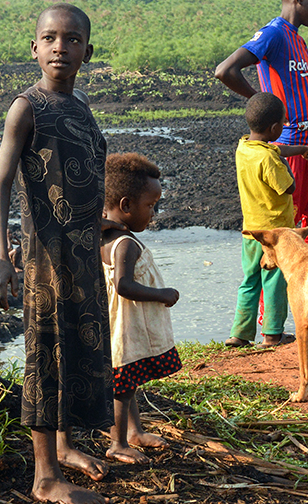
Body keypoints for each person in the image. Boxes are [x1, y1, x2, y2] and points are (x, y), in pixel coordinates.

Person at [0, 3, 113, 504]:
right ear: (34, 48)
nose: (61, 46)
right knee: (46, 354)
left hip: (82, 255)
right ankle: (44, 478)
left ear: (87, 50)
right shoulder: (27, 107)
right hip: (45, 256)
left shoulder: (80, 107)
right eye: (51, 37)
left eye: (72, 38)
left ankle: (66, 447)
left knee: (78, 351)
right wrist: (0, 254)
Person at [214, 0, 308, 253]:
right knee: (286, 232)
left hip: (306, 147)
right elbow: (225, 70)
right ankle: (272, 297)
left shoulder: (299, 40)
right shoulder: (274, 34)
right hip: (286, 148)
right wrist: (261, 100)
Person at [101, 152, 180, 464]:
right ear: (125, 206)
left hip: (118, 324)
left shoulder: (105, 236)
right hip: (126, 326)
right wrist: (163, 293)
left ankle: (134, 432)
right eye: (150, 205)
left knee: (128, 383)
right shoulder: (125, 244)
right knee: (122, 388)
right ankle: (118, 443)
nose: (153, 213)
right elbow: (123, 285)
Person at [226, 92, 308, 348]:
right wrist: (287, 166)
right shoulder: (269, 159)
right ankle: (272, 334)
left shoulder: (244, 146)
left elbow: (275, 149)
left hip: (250, 232)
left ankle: (240, 333)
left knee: (250, 280)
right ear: (275, 128)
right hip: (275, 235)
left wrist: (302, 150)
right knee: (275, 281)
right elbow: (288, 187)